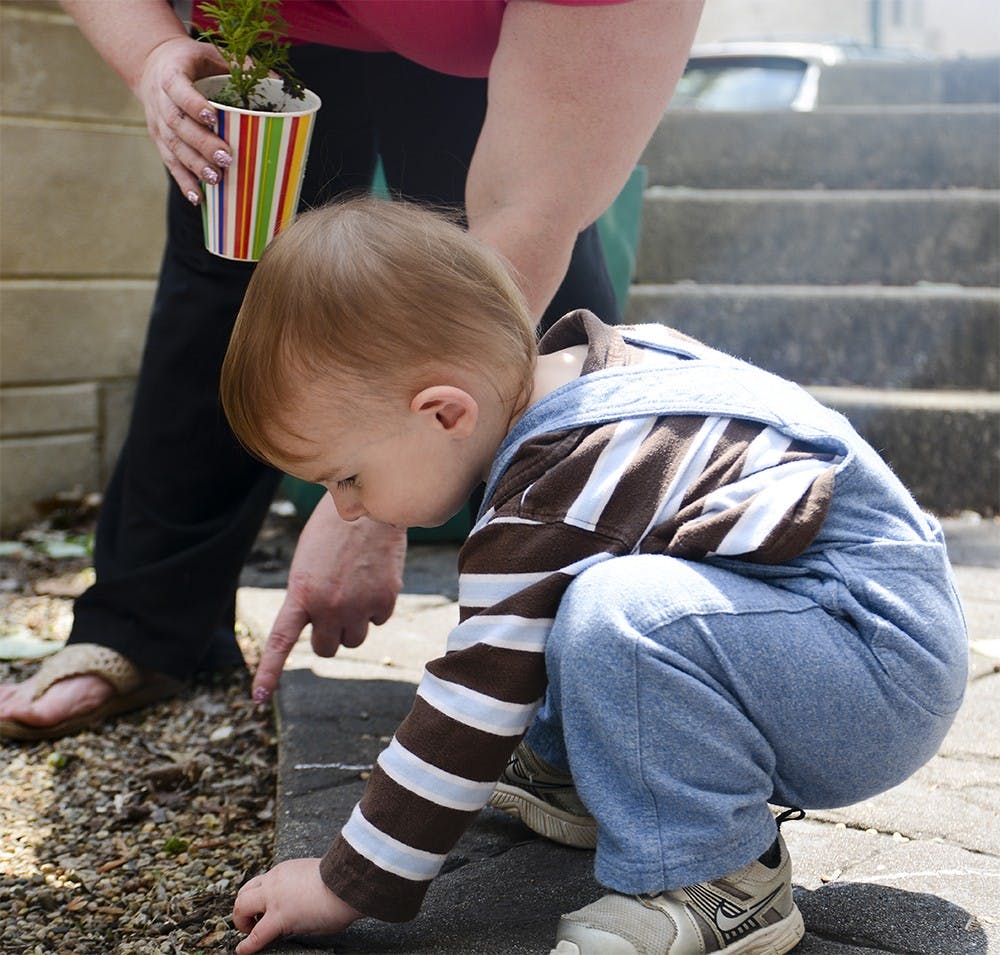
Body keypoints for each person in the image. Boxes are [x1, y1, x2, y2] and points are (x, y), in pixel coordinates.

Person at [220, 198, 968, 955]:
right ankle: (577, 770)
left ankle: (719, 876)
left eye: (345, 476)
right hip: (861, 631)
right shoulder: (591, 373)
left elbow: (471, 700)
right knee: (569, 598)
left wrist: (344, 881)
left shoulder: (557, 488)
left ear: (445, 413)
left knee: (616, 614)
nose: (346, 509)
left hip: (869, 676)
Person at [0, 0, 705, 740]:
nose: (344, 498)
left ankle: (588, 640)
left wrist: (380, 497)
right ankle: (146, 622)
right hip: (266, 31)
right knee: (229, 273)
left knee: (499, 295)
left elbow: (525, 213)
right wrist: (151, 53)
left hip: (488, 46)